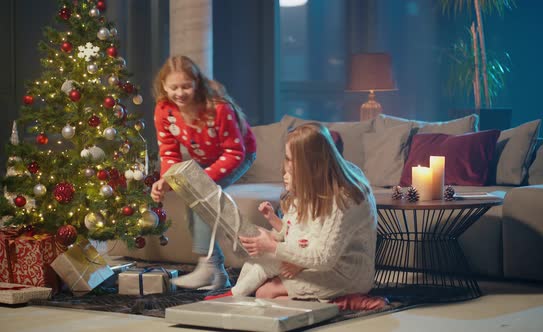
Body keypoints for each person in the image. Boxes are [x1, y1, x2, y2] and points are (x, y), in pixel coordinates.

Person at [210, 123, 377, 301]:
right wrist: (269, 237)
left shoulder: (343, 197)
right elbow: (299, 231)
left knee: (265, 293)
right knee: (259, 269)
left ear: (309, 162)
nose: (285, 165)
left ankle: (347, 303)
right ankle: (232, 296)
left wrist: (272, 246)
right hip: (310, 261)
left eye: (290, 159)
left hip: (344, 273)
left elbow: (323, 258)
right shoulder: (315, 180)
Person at [150, 55, 256, 290]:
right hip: (205, 158)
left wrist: (202, 181)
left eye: (186, 86)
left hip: (239, 155)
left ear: (197, 83)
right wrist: (165, 181)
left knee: (200, 194)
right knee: (192, 194)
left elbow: (234, 152)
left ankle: (209, 267)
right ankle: (215, 273)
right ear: (163, 87)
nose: (180, 93)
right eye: (173, 87)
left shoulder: (217, 107)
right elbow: (169, 152)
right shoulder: (164, 109)